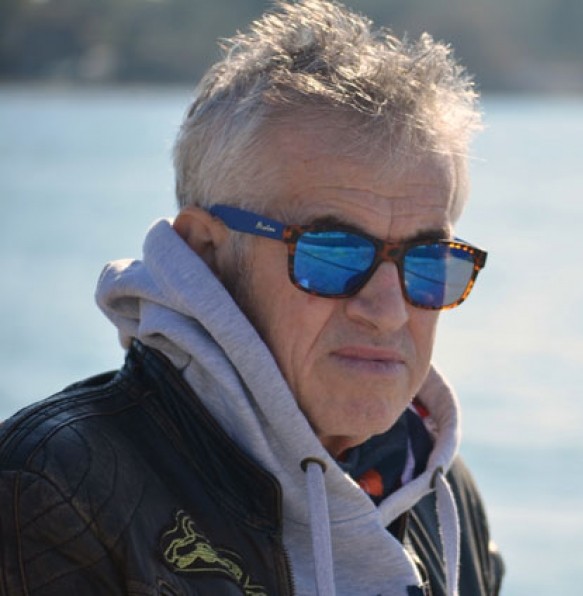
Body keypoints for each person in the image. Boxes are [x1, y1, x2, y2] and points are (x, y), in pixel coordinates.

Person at [0, 1, 503, 594]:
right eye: (332, 252)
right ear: (204, 255)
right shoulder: (52, 490)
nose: (389, 312)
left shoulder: (437, 490)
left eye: (427, 260)